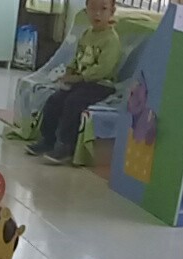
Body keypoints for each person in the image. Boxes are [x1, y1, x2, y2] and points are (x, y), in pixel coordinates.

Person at [26, 0, 124, 164]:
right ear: (86, 11)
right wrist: (69, 72)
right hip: (81, 82)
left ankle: (66, 146)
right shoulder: (87, 34)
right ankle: (48, 140)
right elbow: (77, 58)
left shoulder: (111, 40)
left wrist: (79, 78)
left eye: (103, 9)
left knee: (73, 103)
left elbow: (103, 69)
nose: (97, 14)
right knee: (54, 100)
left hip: (100, 84)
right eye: (93, 9)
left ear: (112, 11)